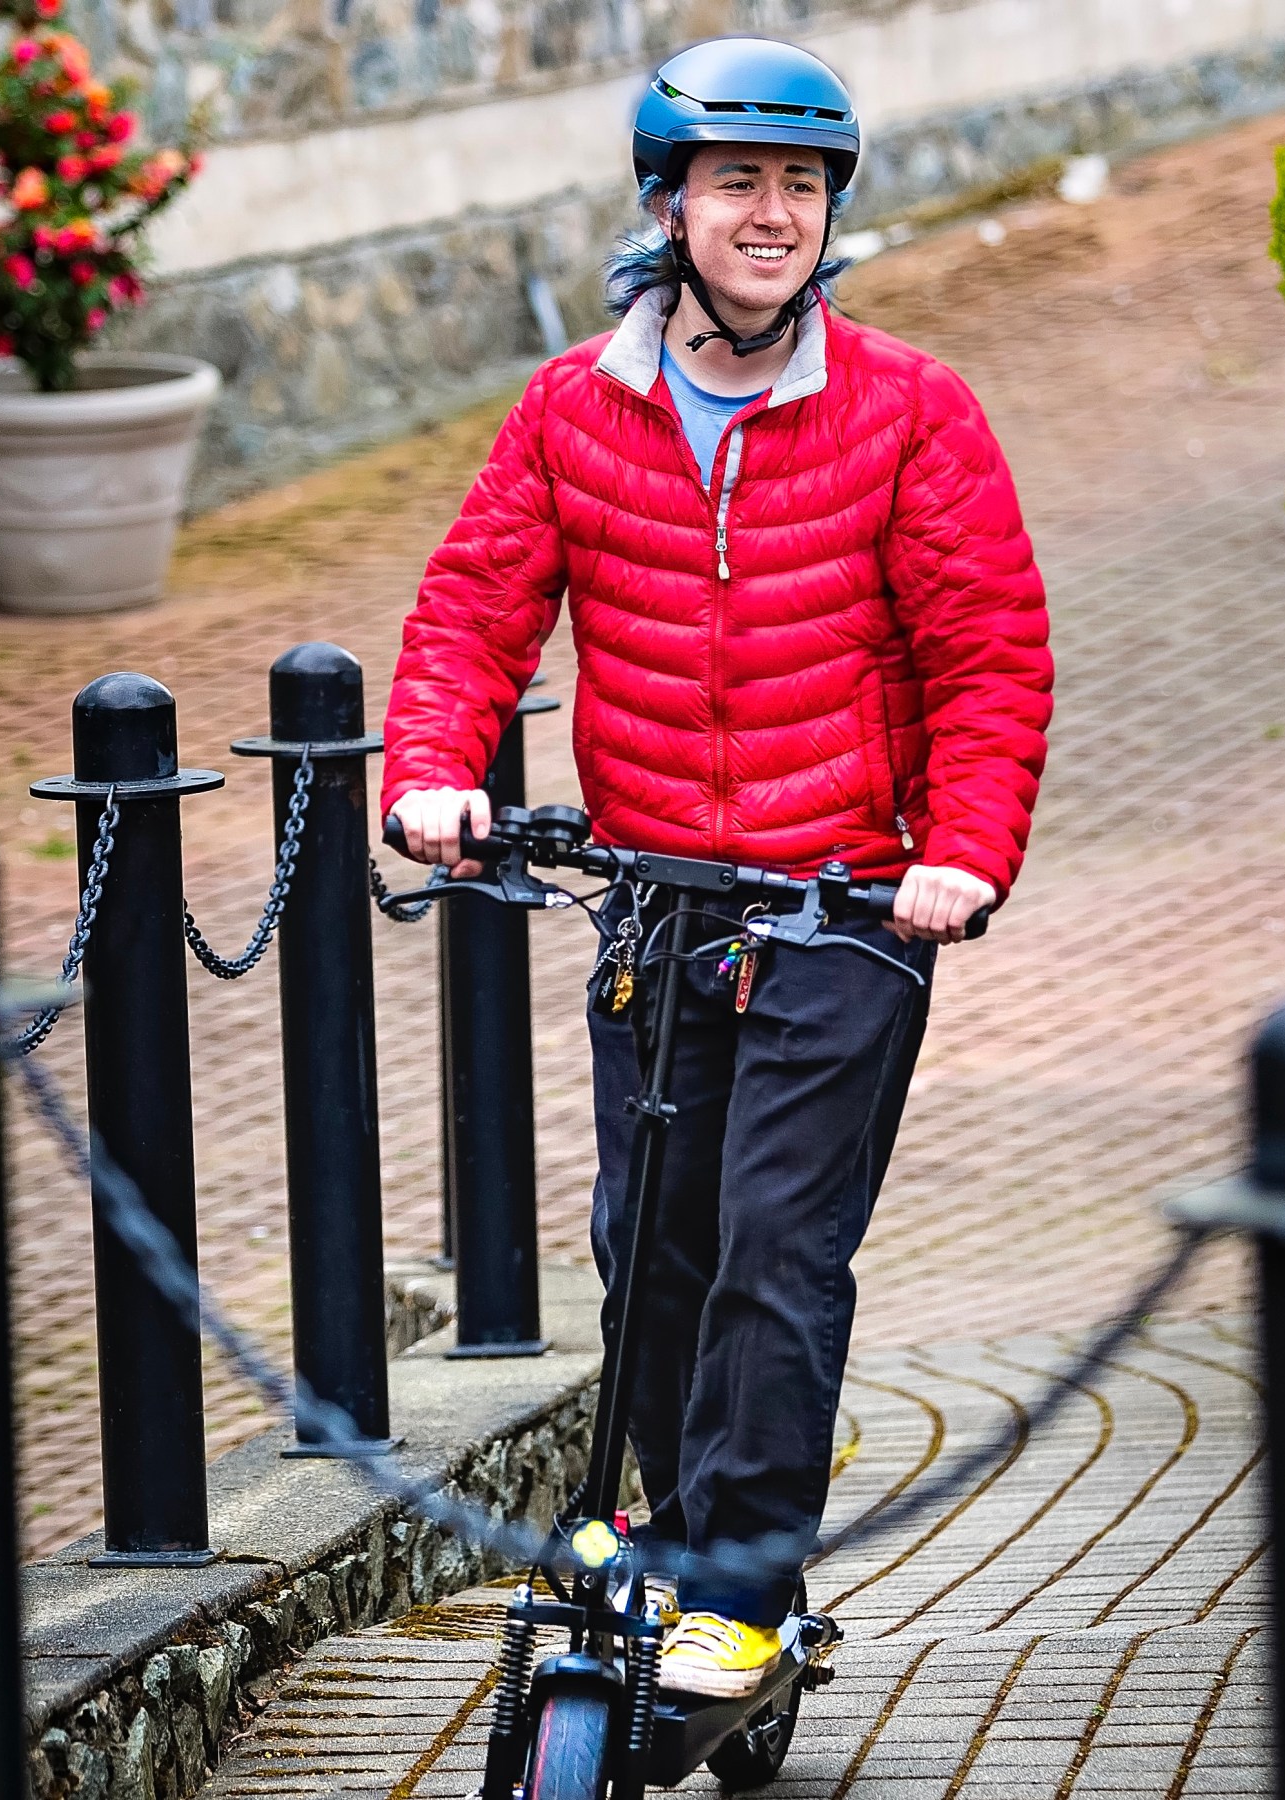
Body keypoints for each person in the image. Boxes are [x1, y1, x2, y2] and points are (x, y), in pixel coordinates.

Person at [381, 35, 1052, 1698]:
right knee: (653, 1242)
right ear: (669, 203)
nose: (771, 215)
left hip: (848, 904)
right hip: (661, 900)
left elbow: (987, 657)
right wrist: (433, 773)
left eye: (801, 188)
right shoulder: (574, 407)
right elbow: (474, 610)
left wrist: (963, 853)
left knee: (773, 1246)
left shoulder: (910, 411)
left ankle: (743, 1587)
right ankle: (679, 1535)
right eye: (738, 182)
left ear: (832, 217)